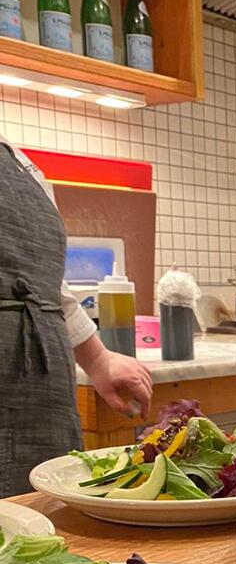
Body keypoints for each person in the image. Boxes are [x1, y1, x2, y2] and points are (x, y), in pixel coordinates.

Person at [0, 139, 153, 498]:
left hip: (43, 391)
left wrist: (97, 358)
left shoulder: (20, 163)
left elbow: (50, 284)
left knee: (41, 522)